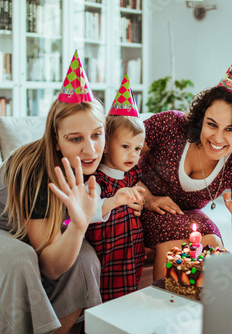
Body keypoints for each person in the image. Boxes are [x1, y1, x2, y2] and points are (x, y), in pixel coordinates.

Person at [0, 51, 105, 334]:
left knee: (85, 260)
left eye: (96, 134)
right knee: (19, 259)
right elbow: (51, 267)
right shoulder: (35, 169)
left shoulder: (94, 159)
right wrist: (79, 225)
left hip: (24, 235)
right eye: (75, 139)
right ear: (55, 140)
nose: (91, 149)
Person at [136, 51, 232, 279]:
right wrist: (146, 197)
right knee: (175, 244)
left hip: (187, 216)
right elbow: (118, 153)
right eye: (212, 125)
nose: (217, 138)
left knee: (212, 241)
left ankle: (208, 310)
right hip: (139, 205)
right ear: (200, 119)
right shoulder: (171, 125)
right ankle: (164, 308)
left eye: (230, 129)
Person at [85, 74, 146, 302]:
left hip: (131, 255)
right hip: (105, 256)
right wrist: (113, 201)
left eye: (138, 148)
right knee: (102, 304)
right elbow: (87, 214)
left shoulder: (133, 176)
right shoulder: (97, 179)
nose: (133, 154)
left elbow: (143, 201)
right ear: (106, 146)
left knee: (127, 302)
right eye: (126, 146)